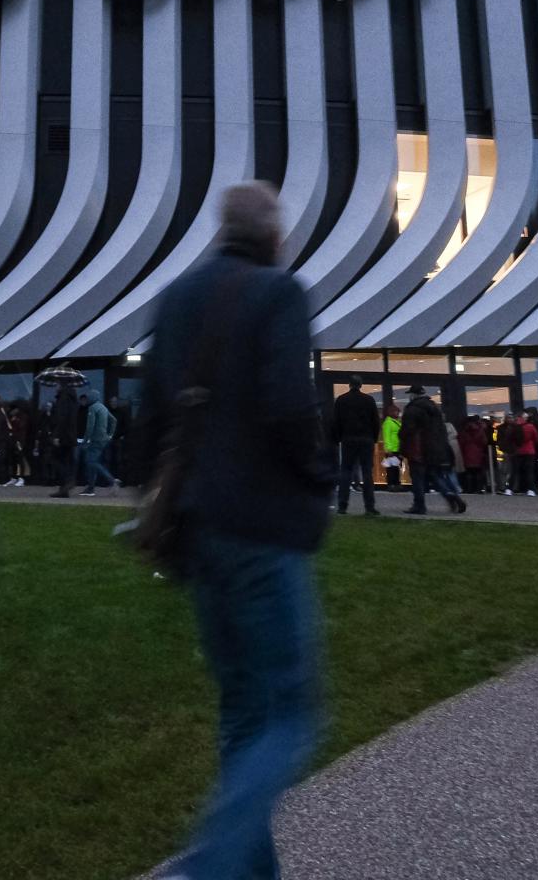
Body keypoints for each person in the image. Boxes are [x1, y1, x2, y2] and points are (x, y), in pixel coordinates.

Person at [139, 181, 329, 880]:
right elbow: (288, 406)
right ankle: (213, 866)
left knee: (243, 709)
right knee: (292, 715)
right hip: (262, 527)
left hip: (197, 529)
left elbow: (151, 419)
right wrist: (316, 481)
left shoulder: (179, 298)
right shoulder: (279, 293)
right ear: (272, 233)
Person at [401, 385, 464, 514]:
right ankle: (450, 495)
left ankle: (419, 505)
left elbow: (407, 430)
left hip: (418, 449)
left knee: (417, 478)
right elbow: (441, 431)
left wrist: (402, 439)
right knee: (434, 476)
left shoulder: (412, 409)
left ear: (414, 395)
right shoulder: (435, 408)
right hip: (435, 449)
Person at [332, 375, 381, 517]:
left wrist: (338, 438)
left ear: (349, 385)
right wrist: (373, 438)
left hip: (348, 439)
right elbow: (375, 422)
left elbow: (336, 422)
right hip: (366, 440)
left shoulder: (341, 400)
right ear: (361, 385)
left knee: (346, 472)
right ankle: (369, 506)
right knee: (367, 473)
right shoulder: (369, 400)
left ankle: (342, 505)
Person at [78, 390, 119, 496]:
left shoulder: (92, 408)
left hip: (95, 440)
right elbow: (114, 420)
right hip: (104, 440)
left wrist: (85, 441)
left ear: (92, 397)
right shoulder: (103, 407)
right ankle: (90, 488)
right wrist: (110, 435)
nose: (87, 400)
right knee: (92, 461)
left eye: (88, 397)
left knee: (91, 462)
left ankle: (111, 480)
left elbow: (90, 427)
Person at [457, 416, 489, 495]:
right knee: (478, 472)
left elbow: (461, 443)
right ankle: (478, 489)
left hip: (467, 453)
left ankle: (469, 489)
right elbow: (484, 442)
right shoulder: (480, 430)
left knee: (469, 473)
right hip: (478, 454)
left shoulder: (464, 430)